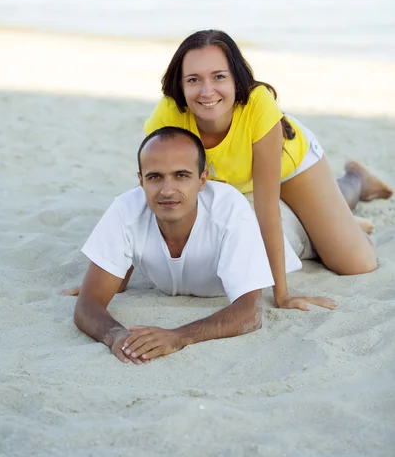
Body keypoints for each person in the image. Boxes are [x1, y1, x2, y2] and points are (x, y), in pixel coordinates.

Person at [144, 30, 393, 312]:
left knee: (357, 264)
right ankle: (326, 218)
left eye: (219, 76)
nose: (206, 91)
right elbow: (148, 199)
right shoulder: (168, 115)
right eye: (193, 80)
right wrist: (113, 276)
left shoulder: (258, 104)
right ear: (180, 84)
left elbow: (267, 210)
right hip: (236, 178)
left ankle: (356, 180)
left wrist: (282, 295)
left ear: (236, 79)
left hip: (291, 163)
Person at [75, 127, 331, 364]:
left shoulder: (228, 209)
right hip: (242, 222)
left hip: (276, 232)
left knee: (325, 220)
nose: (167, 190)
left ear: (202, 180)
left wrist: (179, 337)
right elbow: (88, 304)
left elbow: (250, 313)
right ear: (141, 180)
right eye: (155, 177)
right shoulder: (125, 208)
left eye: (181, 176)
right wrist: (117, 336)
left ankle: (356, 182)